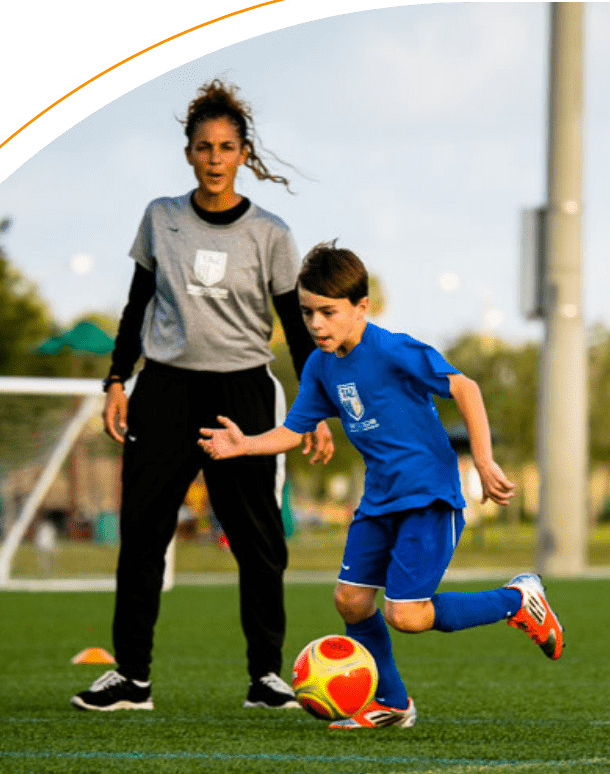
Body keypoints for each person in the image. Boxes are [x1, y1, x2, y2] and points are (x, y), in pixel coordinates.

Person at [198, 241, 564, 730]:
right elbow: (295, 429)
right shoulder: (319, 366)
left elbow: (465, 387)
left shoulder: (391, 348)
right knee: (350, 600)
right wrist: (244, 445)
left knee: (406, 614)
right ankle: (393, 704)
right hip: (379, 500)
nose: (316, 324)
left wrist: (482, 459)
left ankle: (519, 599)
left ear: (361, 307)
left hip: (428, 495)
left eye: (328, 312)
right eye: (307, 312)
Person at [71, 80, 334, 713]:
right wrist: (116, 379)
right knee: (141, 534)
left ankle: (266, 678)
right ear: (188, 153)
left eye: (226, 147)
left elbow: (297, 330)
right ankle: (132, 678)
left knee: (259, 541)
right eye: (202, 147)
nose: (214, 159)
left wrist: (318, 405)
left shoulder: (271, 233)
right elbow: (136, 306)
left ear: (244, 154)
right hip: (164, 388)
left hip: (243, 393)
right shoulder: (161, 218)